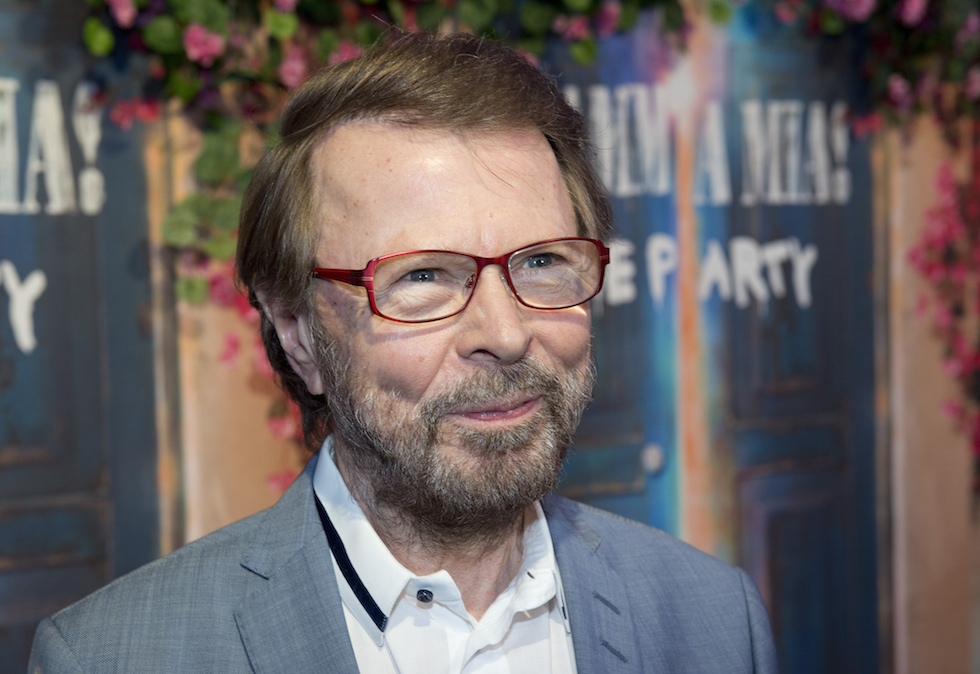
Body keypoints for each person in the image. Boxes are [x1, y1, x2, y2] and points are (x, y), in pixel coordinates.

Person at [28, 32, 777, 673]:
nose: (505, 333)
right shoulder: (115, 656)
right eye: (422, 277)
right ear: (298, 335)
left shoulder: (714, 620)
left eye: (543, 261)